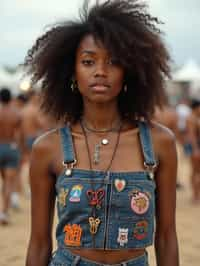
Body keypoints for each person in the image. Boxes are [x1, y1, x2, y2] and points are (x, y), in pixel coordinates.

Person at [25, 0, 179, 265]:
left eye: (113, 62)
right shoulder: (48, 148)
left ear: (129, 71)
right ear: (71, 72)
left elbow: (166, 236)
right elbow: (39, 242)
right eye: (88, 61)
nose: (100, 71)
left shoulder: (159, 143)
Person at [0, 88, 22, 224]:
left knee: (4, 181)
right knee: (8, 183)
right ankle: (4, 212)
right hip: (11, 147)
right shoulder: (16, 114)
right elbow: (19, 135)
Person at [185, 99, 200, 203]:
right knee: (195, 171)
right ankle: (195, 195)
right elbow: (191, 136)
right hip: (194, 146)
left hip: (195, 146)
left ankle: (196, 194)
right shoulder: (191, 118)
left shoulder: (195, 118)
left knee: (196, 172)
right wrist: (195, 150)